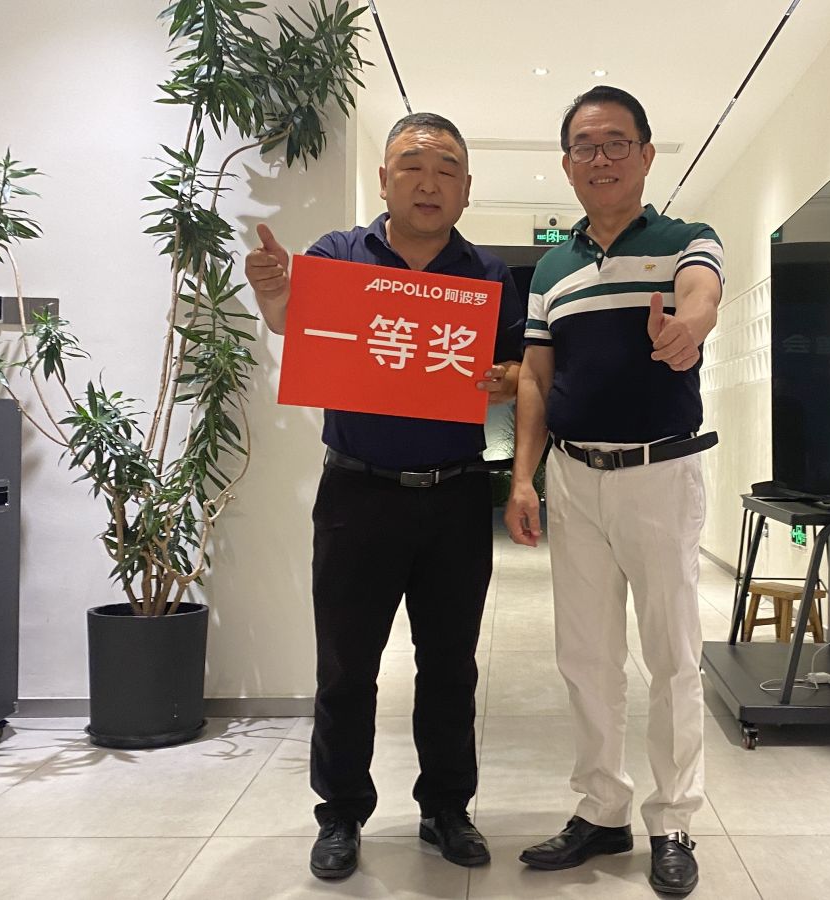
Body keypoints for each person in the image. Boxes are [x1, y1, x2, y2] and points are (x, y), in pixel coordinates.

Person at [245, 112, 524, 881]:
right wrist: (275, 296)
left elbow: (514, 375)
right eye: (413, 165)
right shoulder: (339, 257)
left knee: (450, 666)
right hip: (356, 493)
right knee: (346, 667)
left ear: (466, 188)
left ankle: (447, 809)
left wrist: (502, 380)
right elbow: (295, 324)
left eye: (446, 169)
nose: (429, 183)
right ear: (384, 179)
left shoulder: (488, 275)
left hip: (456, 495)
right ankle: (340, 814)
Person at [505, 85, 722, 896]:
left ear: (646, 154)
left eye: (616, 142)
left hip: (660, 473)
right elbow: (536, 376)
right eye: (585, 146)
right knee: (585, 656)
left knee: (671, 655)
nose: (600, 158)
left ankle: (674, 819)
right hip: (574, 476)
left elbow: (702, 294)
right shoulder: (553, 269)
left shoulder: (684, 239)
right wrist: (523, 478)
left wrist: (687, 330)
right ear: (567, 164)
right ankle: (602, 809)